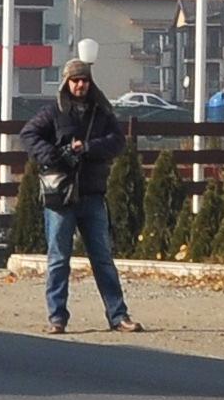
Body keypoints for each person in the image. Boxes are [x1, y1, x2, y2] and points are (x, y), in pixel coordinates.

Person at [22, 58, 138, 336]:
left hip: (93, 195)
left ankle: (118, 316)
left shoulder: (102, 112)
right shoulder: (53, 112)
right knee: (58, 260)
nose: (80, 85)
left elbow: (118, 142)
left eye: (84, 80)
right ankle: (57, 318)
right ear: (66, 83)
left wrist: (87, 147)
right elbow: (28, 134)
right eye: (75, 80)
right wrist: (53, 154)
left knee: (103, 260)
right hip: (61, 199)